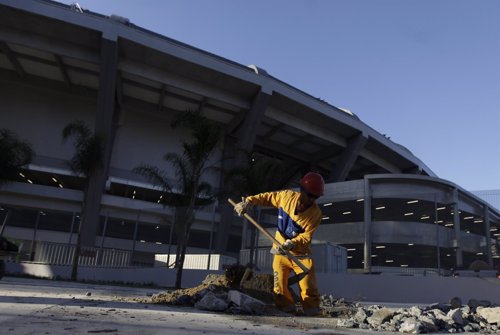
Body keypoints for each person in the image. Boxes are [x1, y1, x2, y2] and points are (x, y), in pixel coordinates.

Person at [233, 171, 325, 316]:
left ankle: (312, 313)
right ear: (302, 191)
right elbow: (266, 197)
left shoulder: (315, 214)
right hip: (280, 252)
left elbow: (306, 237)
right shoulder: (285, 197)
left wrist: (292, 244)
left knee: (308, 287)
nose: (312, 200)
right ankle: (287, 312)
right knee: (279, 287)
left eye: (315, 197)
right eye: (310, 195)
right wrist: (248, 202)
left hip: (301, 255)